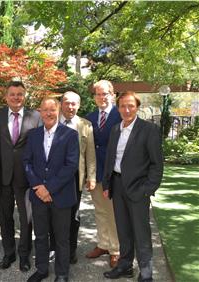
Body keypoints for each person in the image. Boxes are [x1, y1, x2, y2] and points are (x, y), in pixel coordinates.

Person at [102, 91, 163, 282]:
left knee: (141, 233)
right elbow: (110, 158)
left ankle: (146, 273)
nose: (126, 110)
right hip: (117, 186)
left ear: (137, 107)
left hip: (138, 188)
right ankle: (125, 266)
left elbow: (157, 164)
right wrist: (107, 184)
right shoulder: (115, 129)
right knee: (123, 230)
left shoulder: (149, 129)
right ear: (118, 107)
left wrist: (147, 189)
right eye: (122, 106)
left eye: (131, 106)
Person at [24, 97, 79, 282]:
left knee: (62, 238)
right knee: (40, 235)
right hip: (38, 195)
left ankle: (62, 273)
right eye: (45, 109)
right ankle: (42, 269)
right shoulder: (33, 135)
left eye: (52, 109)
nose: (48, 113)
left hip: (61, 196)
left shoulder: (70, 135)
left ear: (58, 111)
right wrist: (39, 187)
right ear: (40, 111)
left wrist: (49, 188)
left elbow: (71, 166)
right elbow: (27, 163)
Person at [0, 81, 40, 272]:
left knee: (26, 218)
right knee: (5, 217)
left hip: (26, 177)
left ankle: (24, 254)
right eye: (12, 94)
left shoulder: (35, 116)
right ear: (6, 96)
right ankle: (9, 252)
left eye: (20, 94)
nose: (16, 97)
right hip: (3, 177)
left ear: (25, 96)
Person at [85, 80, 121, 268]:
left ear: (112, 94)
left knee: (113, 212)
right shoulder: (89, 117)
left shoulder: (121, 115)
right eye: (98, 94)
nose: (102, 97)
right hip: (95, 173)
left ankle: (115, 249)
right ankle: (103, 244)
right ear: (94, 97)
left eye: (105, 93)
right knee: (99, 210)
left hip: (114, 173)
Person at [60, 91, 96, 264]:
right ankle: (56, 247)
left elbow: (90, 154)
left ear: (79, 105)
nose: (70, 106)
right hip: (53, 177)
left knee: (73, 215)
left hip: (75, 178)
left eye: (74, 103)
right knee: (54, 214)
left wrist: (92, 176)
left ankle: (71, 250)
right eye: (67, 102)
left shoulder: (86, 125)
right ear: (61, 104)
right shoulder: (51, 121)